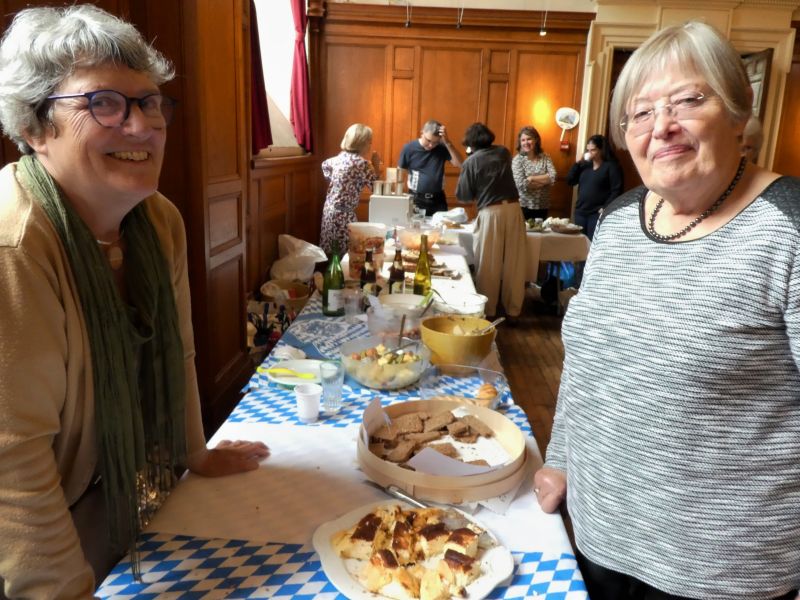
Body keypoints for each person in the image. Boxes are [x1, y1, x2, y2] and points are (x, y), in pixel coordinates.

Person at [0, 6, 270, 598]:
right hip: (32, 544)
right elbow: (13, 462)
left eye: (150, 102)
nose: (142, 125)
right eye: (104, 103)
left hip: (116, 502)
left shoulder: (158, 220)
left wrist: (194, 454)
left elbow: (181, 352)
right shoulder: (14, 244)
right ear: (36, 126)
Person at [534, 20, 800, 600]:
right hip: (599, 538)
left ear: (738, 108)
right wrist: (559, 460)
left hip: (722, 574)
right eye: (641, 112)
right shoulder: (621, 220)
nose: (663, 127)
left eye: (688, 100)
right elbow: (584, 366)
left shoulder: (789, 231)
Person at [455, 123, 526, 319]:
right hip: (514, 209)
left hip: (490, 212)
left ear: (470, 143)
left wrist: (468, 162)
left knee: (488, 264)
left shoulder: (471, 162)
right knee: (515, 262)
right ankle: (513, 311)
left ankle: (488, 311)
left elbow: (464, 195)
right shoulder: (504, 152)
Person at [319, 123, 381, 255]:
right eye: (370, 142)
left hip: (329, 212)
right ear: (364, 143)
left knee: (331, 253)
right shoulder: (361, 164)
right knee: (348, 255)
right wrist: (376, 167)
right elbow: (376, 188)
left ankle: (329, 275)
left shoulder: (334, 160)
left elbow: (325, 167)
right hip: (344, 216)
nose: (370, 146)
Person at [399, 119, 463, 216]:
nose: (431, 145)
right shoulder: (409, 148)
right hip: (416, 199)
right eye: (428, 140)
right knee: (415, 230)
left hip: (438, 200)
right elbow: (400, 174)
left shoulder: (442, 148)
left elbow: (460, 164)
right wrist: (401, 198)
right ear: (422, 132)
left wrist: (447, 143)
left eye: (436, 142)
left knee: (440, 230)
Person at [566, 134, 624, 241]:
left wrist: (605, 207)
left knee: (592, 243)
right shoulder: (584, 166)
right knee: (579, 244)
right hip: (580, 212)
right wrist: (578, 163)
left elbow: (616, 190)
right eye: (588, 150)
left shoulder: (611, 167)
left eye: (593, 150)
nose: (590, 153)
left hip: (597, 213)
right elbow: (570, 180)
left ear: (601, 150)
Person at [511, 126, 557, 220]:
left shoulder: (545, 157)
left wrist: (531, 178)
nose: (526, 142)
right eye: (523, 140)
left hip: (543, 206)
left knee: (541, 234)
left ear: (536, 140)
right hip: (523, 207)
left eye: (529, 139)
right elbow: (521, 184)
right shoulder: (517, 160)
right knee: (523, 234)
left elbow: (553, 176)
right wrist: (545, 181)